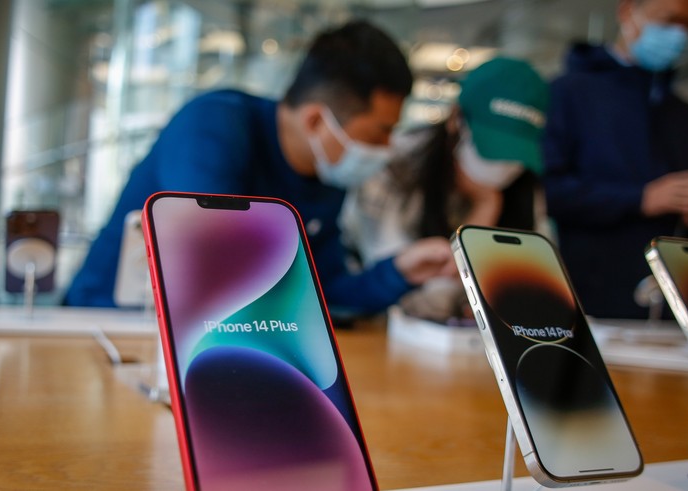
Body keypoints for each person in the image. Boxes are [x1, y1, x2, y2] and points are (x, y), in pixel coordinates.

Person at [64, 20, 456, 316]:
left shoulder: (326, 178)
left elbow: (327, 295)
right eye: (379, 133)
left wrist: (400, 272)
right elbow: (217, 267)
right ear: (317, 121)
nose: (386, 149)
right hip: (105, 325)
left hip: (210, 344)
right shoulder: (213, 126)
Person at [541, 0, 688, 319]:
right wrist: (640, 199)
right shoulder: (568, 92)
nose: (679, 34)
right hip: (590, 297)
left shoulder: (682, 112)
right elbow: (550, 192)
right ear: (628, 12)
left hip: (667, 300)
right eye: (670, 20)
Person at [340, 57, 548, 322]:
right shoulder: (394, 166)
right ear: (455, 120)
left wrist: (487, 203)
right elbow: (412, 300)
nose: (503, 165)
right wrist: (484, 208)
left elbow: (537, 291)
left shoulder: (525, 183)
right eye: (491, 148)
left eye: (514, 153)